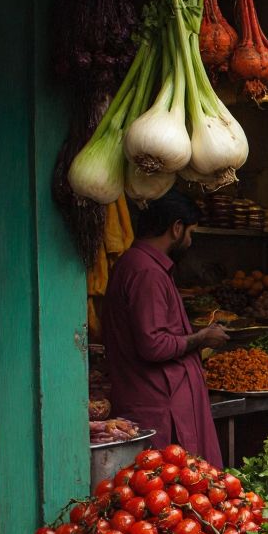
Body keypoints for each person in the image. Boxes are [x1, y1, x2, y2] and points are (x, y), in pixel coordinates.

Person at [102, 191, 226, 464]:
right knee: (171, 482)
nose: (190, 241)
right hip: (159, 408)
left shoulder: (140, 265)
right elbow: (153, 345)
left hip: (156, 401)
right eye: (190, 233)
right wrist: (202, 337)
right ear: (176, 228)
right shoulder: (146, 271)